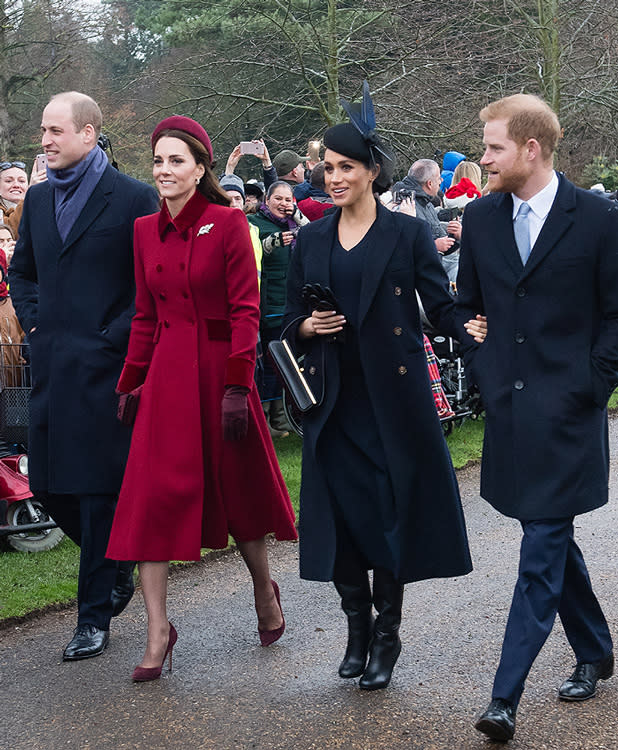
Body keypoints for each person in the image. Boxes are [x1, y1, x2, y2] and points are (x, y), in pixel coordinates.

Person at [283, 83, 476, 692]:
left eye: (345, 168)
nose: (333, 178)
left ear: (371, 171)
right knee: (341, 518)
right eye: (327, 169)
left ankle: (388, 633)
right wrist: (307, 325)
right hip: (331, 399)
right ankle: (357, 630)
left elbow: (439, 307)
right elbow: (283, 320)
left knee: (391, 517)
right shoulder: (309, 238)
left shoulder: (406, 233)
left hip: (393, 400)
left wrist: (474, 329)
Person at [106, 116, 297, 682]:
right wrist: (129, 383)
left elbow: (246, 310)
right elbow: (145, 316)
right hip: (165, 379)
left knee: (238, 494)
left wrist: (240, 385)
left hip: (220, 377)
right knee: (151, 500)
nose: (164, 171)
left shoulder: (229, 223)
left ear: (200, 168)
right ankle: (158, 630)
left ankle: (265, 588)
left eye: (176, 161)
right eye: (158, 161)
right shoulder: (143, 231)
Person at [456, 93, 618, 742]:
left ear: (531, 148)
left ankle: (505, 696)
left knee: (540, 549)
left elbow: (615, 315)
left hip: (571, 415)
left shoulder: (600, 221)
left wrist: (593, 382)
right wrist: (487, 367)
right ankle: (597, 649)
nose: (483, 159)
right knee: (550, 540)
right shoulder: (480, 220)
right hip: (511, 415)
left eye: (493, 147)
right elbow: (467, 306)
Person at [9, 91, 160, 661]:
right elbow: (23, 273)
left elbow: (150, 283)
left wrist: (110, 337)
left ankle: (92, 617)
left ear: (90, 134)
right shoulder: (41, 201)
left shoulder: (134, 199)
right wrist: (38, 324)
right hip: (50, 365)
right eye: (42, 131)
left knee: (98, 494)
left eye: (55, 131)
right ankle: (117, 565)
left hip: (107, 370)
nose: (45, 141)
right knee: (46, 483)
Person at [249, 181, 308, 438]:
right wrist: (270, 243)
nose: (284, 204)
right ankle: (266, 418)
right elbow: (252, 249)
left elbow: (314, 233)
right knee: (271, 362)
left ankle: (281, 417)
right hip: (269, 302)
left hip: (291, 301)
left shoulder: (294, 224)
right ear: (267, 200)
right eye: (279, 199)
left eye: (289, 200)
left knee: (287, 361)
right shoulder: (255, 222)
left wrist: (296, 215)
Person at [392, 159, 462, 284]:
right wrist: (434, 246)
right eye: (439, 178)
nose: (441, 181)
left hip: (429, 276)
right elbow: (399, 249)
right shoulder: (404, 206)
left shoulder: (426, 203)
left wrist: (455, 236)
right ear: (429, 183)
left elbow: (441, 244)